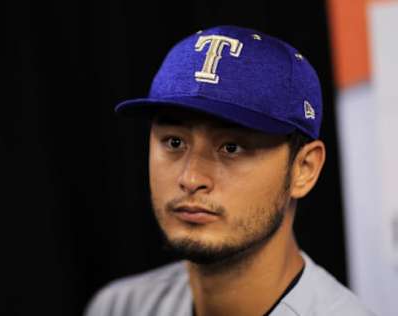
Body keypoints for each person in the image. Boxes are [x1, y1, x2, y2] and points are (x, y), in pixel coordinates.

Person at [84, 25, 375, 316]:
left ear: (304, 169)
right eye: (174, 142)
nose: (191, 179)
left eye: (232, 147)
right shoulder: (118, 306)